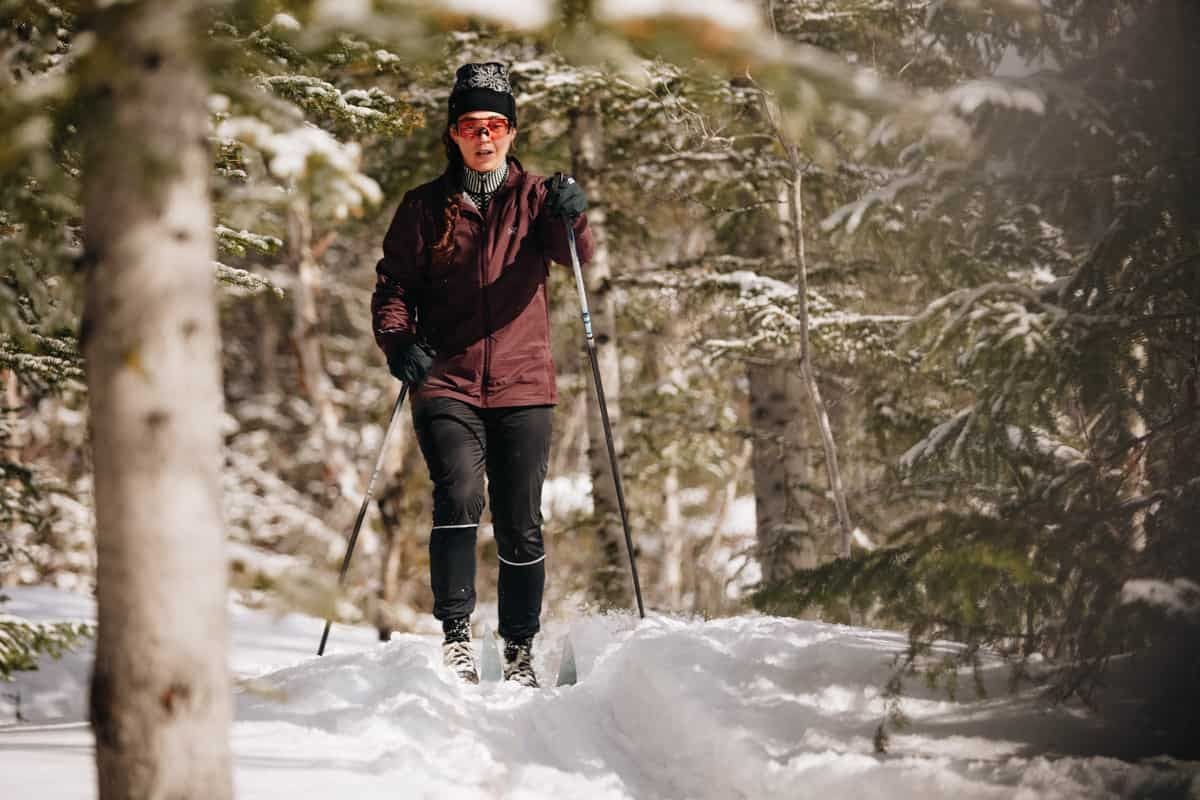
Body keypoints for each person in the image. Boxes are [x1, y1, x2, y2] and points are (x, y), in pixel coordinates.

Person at [371, 62, 593, 687]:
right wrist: (398, 342)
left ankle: (519, 647)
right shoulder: (423, 207)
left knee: (520, 517)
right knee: (460, 495)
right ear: (453, 133)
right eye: (471, 124)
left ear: (512, 132)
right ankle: (457, 636)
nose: (484, 135)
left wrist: (573, 215)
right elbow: (393, 286)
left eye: (495, 124)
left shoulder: (539, 198)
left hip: (524, 383)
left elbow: (575, 251)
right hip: (447, 380)